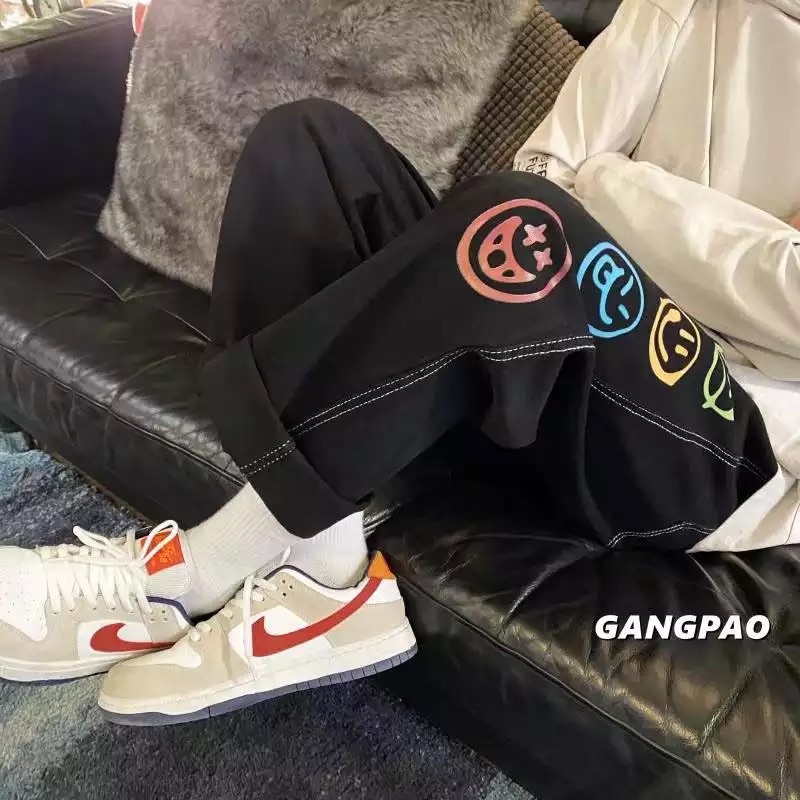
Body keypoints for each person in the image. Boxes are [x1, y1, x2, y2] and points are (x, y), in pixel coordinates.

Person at [0, 0, 796, 726]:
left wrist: (616, 185)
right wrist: (632, 215)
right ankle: (322, 577)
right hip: (557, 353)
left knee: (532, 227)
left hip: (728, 451)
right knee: (307, 145)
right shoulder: (679, 6)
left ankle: (192, 572)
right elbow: (547, 165)